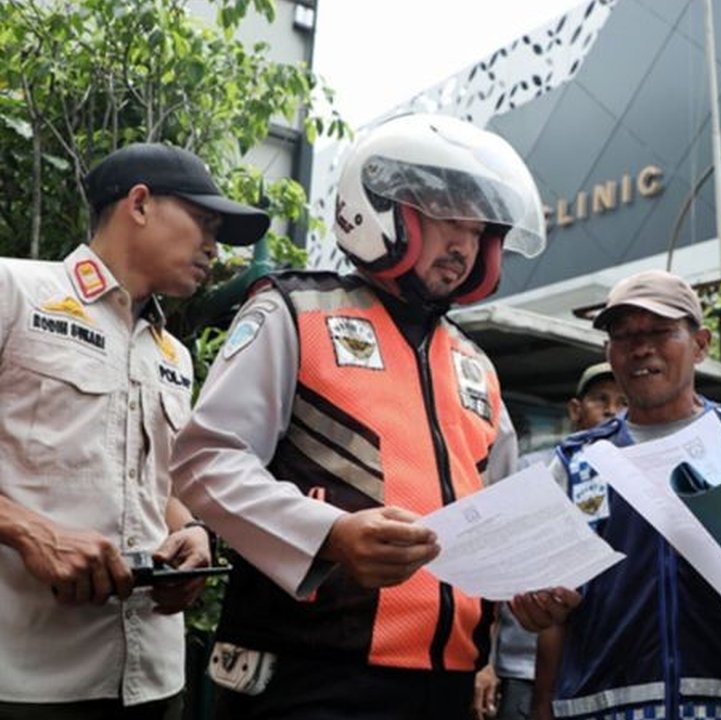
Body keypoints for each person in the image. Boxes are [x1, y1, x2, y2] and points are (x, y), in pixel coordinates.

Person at [169, 113, 546, 720]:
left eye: (479, 232)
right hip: (310, 679)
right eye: (451, 220)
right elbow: (204, 460)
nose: (464, 247)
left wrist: (527, 580)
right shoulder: (297, 312)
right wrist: (329, 534)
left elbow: (495, 515)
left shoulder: (476, 365)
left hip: (447, 689)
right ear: (385, 212)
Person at [0, 142, 269, 718]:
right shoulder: (14, 292)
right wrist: (27, 530)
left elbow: (161, 482)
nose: (214, 250)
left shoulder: (173, 354)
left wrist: (194, 534)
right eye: (204, 223)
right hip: (27, 681)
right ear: (140, 204)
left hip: (154, 683)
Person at [513, 270, 721, 720]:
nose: (640, 347)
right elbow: (544, 607)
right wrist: (536, 603)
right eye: (623, 335)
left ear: (700, 344)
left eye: (661, 331)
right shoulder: (575, 462)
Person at [473, 363, 626, 720]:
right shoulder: (534, 471)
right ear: (575, 410)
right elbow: (495, 565)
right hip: (522, 667)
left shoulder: (632, 479)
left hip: (596, 671)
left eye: (621, 401)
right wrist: (485, 662)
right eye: (600, 399)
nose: (610, 410)